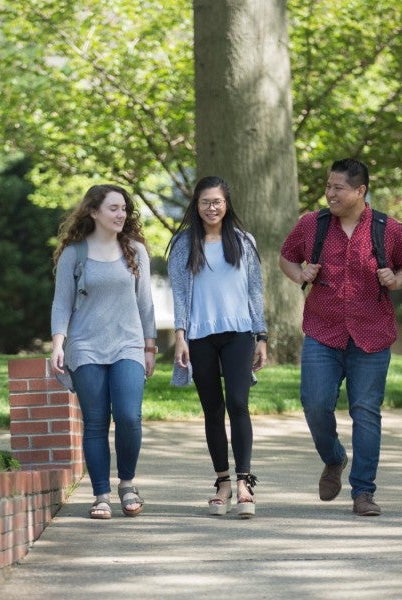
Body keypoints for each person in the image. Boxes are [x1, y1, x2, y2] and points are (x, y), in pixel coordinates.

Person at [279, 158, 402, 516]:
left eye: (338, 188)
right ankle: (334, 457)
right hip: (322, 330)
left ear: (360, 191)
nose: (330, 193)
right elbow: (287, 257)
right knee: (315, 404)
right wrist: (300, 275)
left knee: (366, 412)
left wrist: (397, 280)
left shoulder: (388, 228)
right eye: (328, 186)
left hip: (371, 334)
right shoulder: (312, 224)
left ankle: (364, 492)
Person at [50, 184, 157, 520]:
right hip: (85, 346)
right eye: (113, 208)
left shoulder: (135, 251)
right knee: (96, 422)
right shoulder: (74, 254)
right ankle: (100, 495)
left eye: (124, 208)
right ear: (94, 212)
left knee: (128, 416)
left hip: (128, 344)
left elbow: (145, 303)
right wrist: (58, 343)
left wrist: (150, 346)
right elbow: (62, 302)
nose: (121, 214)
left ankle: (127, 483)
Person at [167, 176, 268, 518]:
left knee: (238, 403)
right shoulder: (183, 244)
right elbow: (180, 294)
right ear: (196, 205)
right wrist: (180, 336)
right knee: (213, 409)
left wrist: (262, 335)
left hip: (239, 333)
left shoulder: (243, 241)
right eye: (205, 202)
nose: (212, 208)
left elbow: (255, 290)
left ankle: (244, 483)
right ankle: (222, 483)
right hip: (199, 335)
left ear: (227, 204)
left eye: (217, 202)